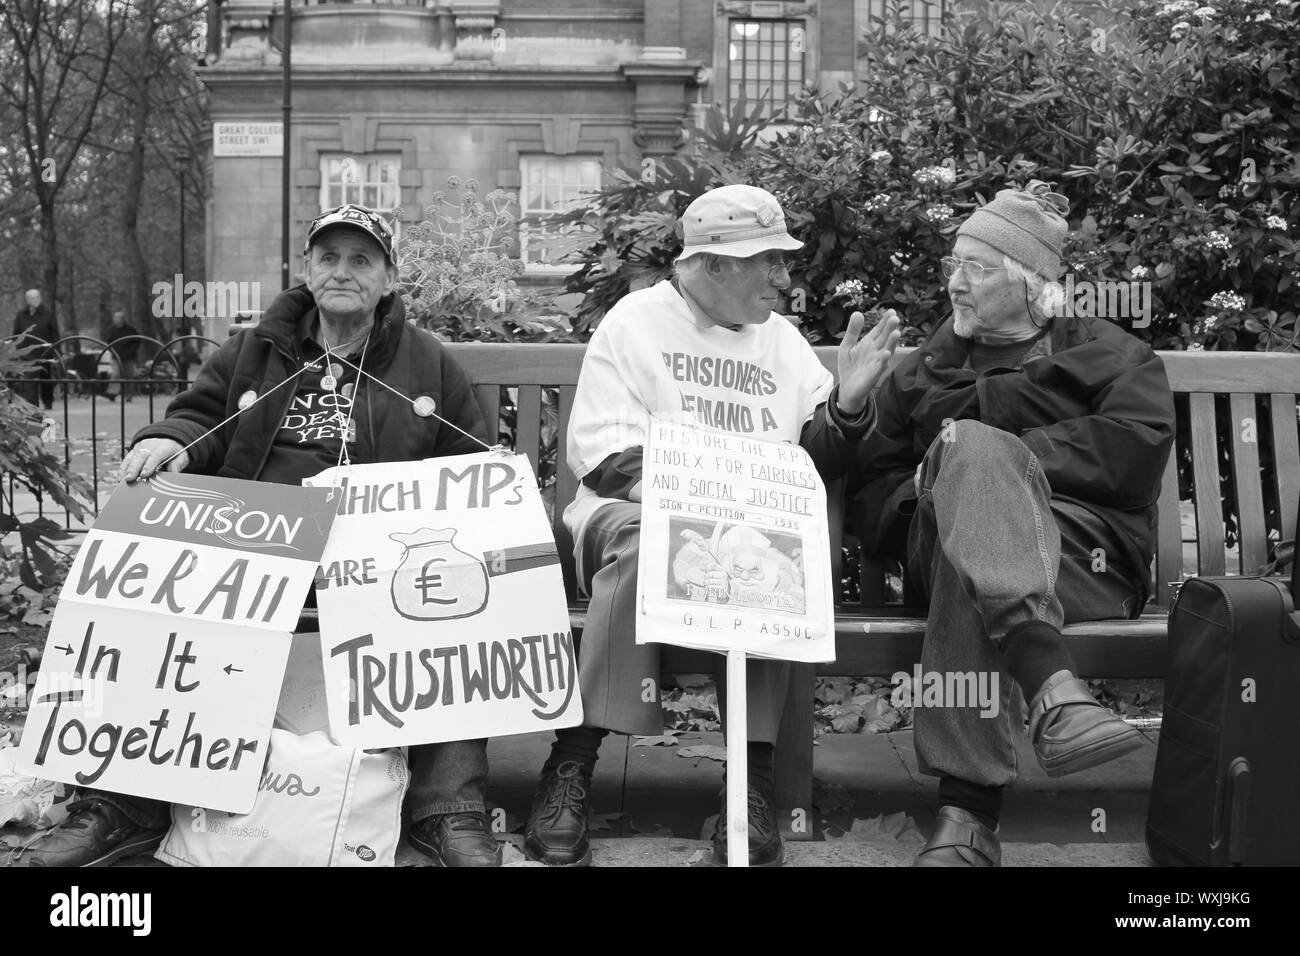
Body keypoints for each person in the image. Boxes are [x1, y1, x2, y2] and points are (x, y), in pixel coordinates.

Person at [2, 203, 503, 868]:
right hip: (257, 543)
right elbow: (197, 417)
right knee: (152, 585)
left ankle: (449, 807)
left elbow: (472, 464)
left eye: (362, 260)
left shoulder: (426, 363)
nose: (343, 271)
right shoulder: (255, 349)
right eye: (329, 257)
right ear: (306, 268)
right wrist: (167, 443)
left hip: (379, 555)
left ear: (388, 278)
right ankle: (122, 802)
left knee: (449, 600)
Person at [523, 184, 901, 867]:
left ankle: (748, 789)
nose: (786, 279)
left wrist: (845, 406)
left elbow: (819, 458)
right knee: (649, 544)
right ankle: (572, 764)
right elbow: (606, 462)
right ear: (716, 265)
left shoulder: (782, 345)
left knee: (774, 562)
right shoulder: (635, 324)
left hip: (739, 532)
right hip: (620, 522)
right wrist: (706, 505)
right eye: (771, 263)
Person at [845, 181, 1176, 867]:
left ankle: (968, 817)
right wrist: (939, 492)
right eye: (951, 266)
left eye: (975, 267)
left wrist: (1005, 460)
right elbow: (875, 489)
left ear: (1031, 285)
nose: (954, 284)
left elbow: (1133, 452)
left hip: (1086, 560)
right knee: (968, 472)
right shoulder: (921, 374)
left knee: (976, 478)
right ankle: (1055, 692)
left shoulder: (1109, 351)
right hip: (941, 551)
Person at [12, 288, 61, 410]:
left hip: (45, 352)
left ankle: (48, 402)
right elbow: (16, 333)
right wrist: (14, 349)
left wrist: (57, 351)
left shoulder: (48, 313)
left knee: (46, 379)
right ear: (27, 300)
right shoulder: (21, 314)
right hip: (26, 353)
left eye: (37, 297)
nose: (36, 300)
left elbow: (55, 333)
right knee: (29, 380)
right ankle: (32, 404)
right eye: (32, 298)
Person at [104, 310, 140, 401]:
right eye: (115, 318)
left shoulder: (131, 330)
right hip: (116, 356)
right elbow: (108, 341)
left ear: (123, 319)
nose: (117, 320)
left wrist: (131, 351)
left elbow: (136, 342)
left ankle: (128, 395)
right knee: (116, 373)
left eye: (119, 318)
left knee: (128, 376)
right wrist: (112, 350)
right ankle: (112, 392)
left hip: (128, 357)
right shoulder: (111, 330)